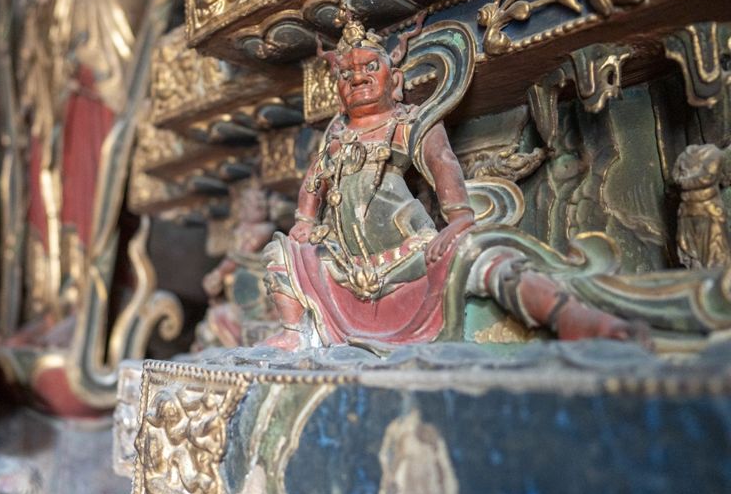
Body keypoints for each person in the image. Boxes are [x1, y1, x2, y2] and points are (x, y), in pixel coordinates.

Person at [263, 18, 642, 350]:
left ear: (394, 80)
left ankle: (567, 315)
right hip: (344, 265)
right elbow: (314, 181)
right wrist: (306, 222)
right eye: (345, 75)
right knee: (281, 253)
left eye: (369, 67)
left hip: (407, 255)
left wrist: (459, 218)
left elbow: (441, 162)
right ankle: (296, 331)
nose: (356, 77)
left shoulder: (408, 122)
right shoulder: (336, 133)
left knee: (476, 256)